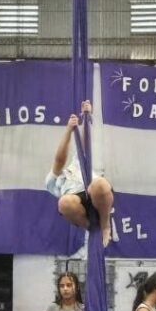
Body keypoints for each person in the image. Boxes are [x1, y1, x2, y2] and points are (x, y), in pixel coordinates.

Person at [45, 100, 114, 247]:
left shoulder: (78, 163)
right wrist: (69, 130)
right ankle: (91, 228)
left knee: (100, 185)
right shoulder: (53, 181)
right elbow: (59, 160)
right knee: (64, 203)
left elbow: (85, 144)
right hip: (77, 201)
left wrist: (86, 116)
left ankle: (105, 225)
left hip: (95, 193)